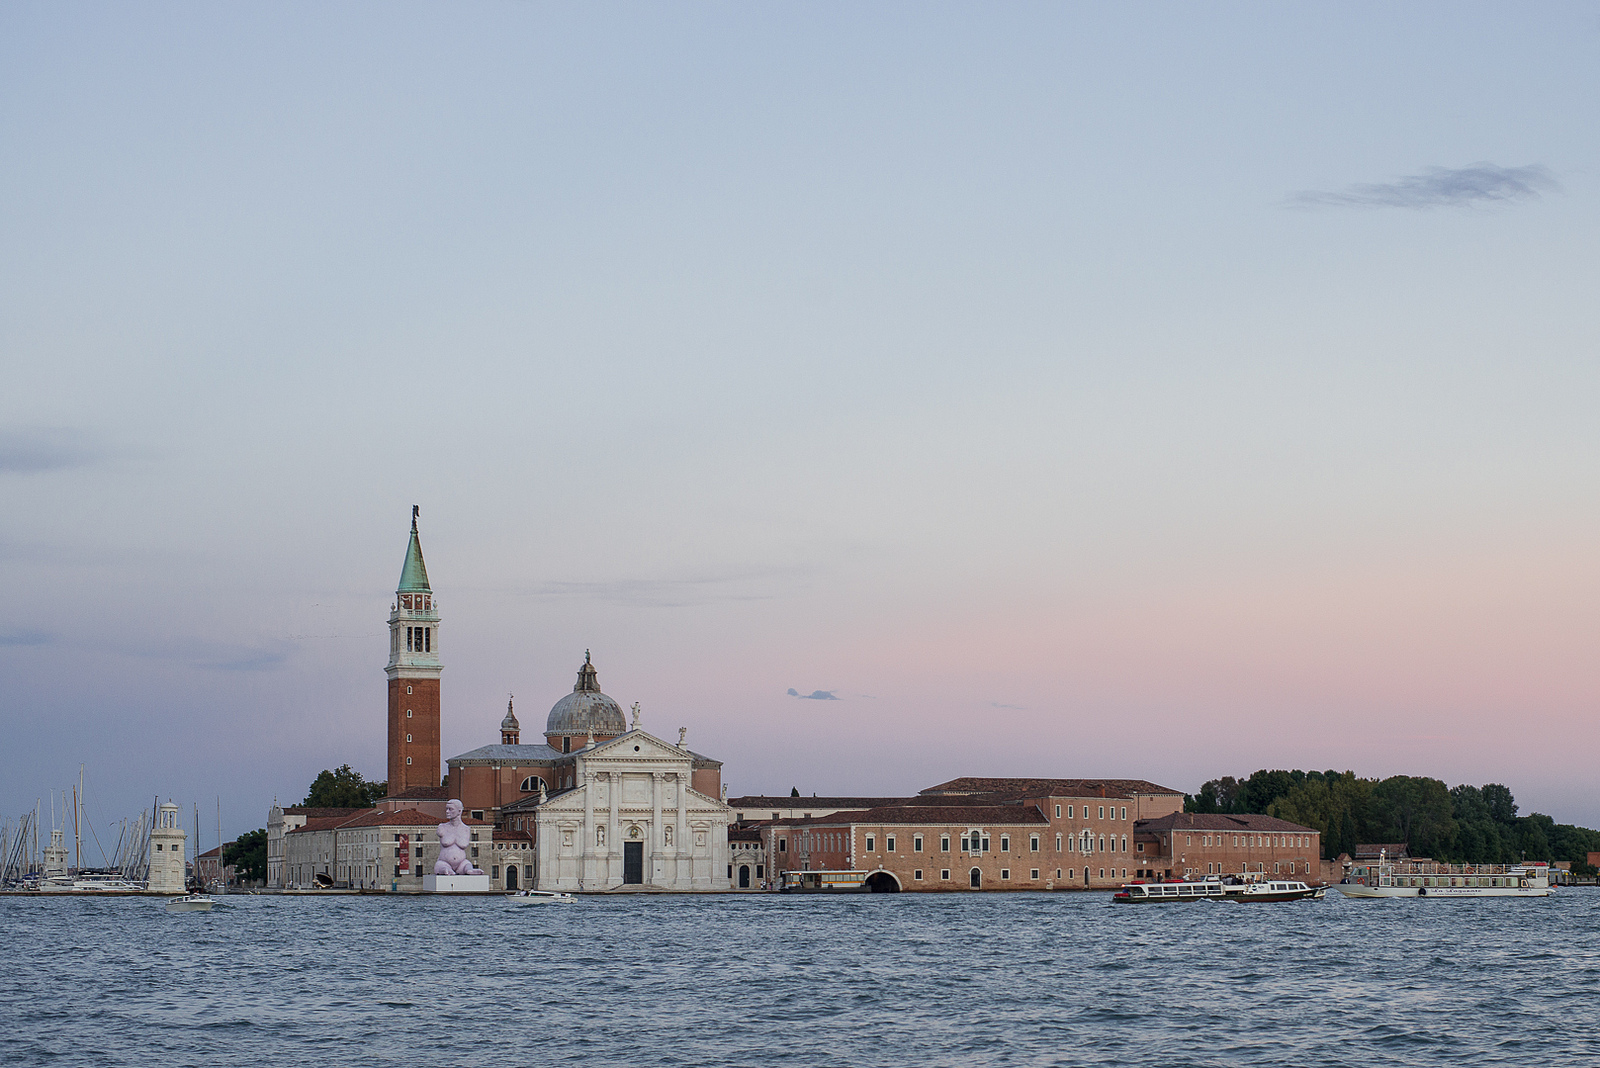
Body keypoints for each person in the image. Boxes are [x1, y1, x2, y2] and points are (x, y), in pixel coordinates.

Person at [434, 799, 484, 876]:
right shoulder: (442, 827)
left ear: (459, 811)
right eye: (446, 809)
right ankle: (446, 870)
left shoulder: (466, 829)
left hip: (461, 863)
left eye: (450, 809)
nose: (447, 811)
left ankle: (469, 870)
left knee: (467, 864)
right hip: (444, 862)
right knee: (441, 867)